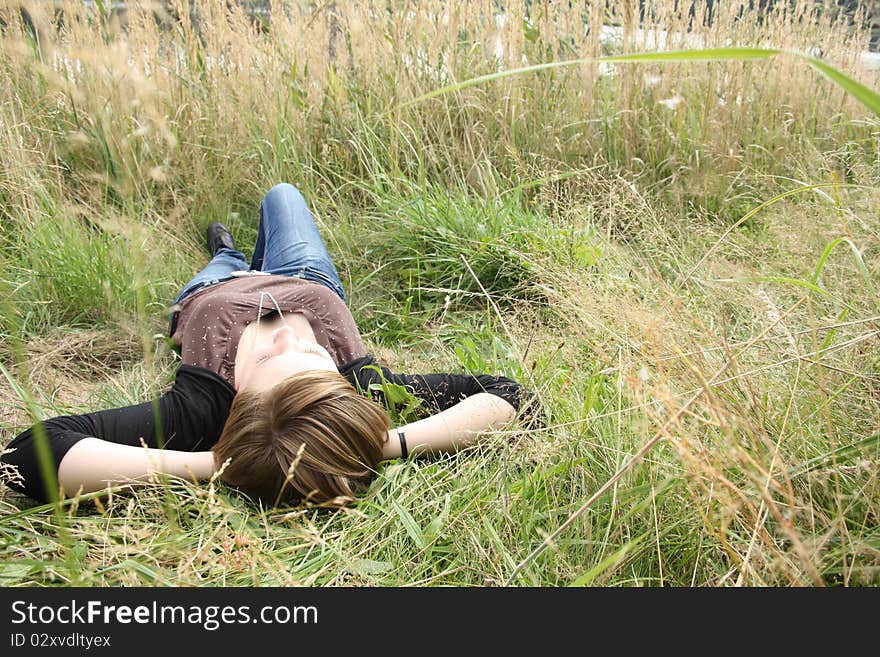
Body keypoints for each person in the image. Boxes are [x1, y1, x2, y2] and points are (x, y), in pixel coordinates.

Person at [1, 183, 531, 508]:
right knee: (282, 196)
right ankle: (246, 252)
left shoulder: (200, 408)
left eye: (268, 358)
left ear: (236, 402)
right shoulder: (362, 389)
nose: (285, 332)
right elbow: (511, 398)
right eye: (309, 353)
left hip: (213, 292)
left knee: (223, 261)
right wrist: (376, 443)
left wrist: (223, 464)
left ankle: (226, 252)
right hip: (305, 278)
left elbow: (26, 456)